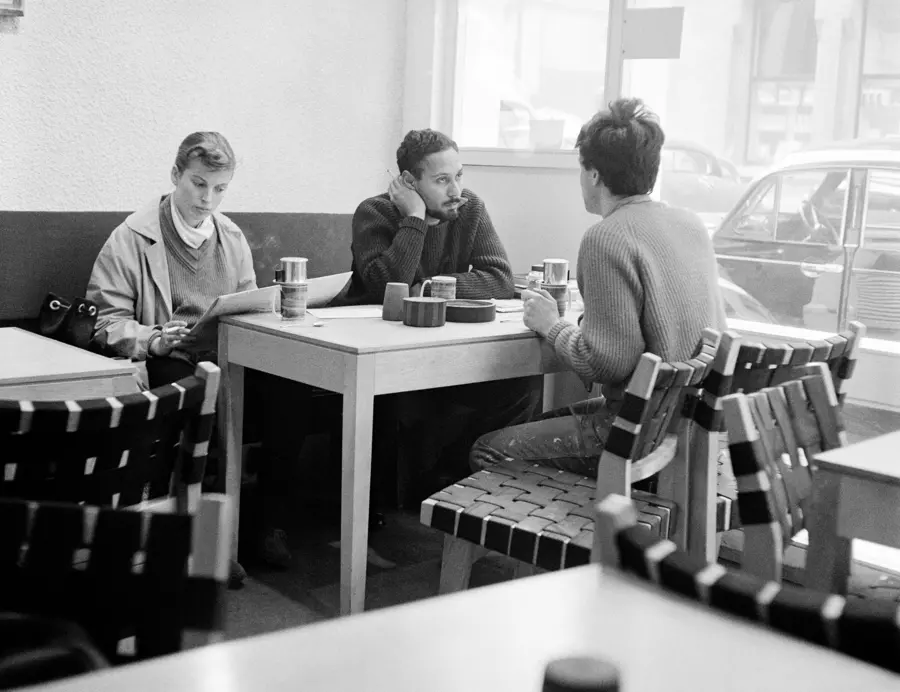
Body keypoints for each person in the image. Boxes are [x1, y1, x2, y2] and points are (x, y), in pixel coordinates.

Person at [86, 132, 302, 584]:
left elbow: (248, 305)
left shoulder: (232, 236)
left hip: (228, 355)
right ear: (175, 176)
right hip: (168, 358)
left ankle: (262, 527)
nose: (208, 199)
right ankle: (206, 545)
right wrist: (152, 338)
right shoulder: (131, 237)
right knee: (201, 397)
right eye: (198, 184)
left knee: (287, 396)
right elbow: (105, 322)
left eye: (220, 189)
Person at [470, 98, 727, 476]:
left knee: (487, 450)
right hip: (689, 426)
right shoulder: (691, 225)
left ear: (593, 175)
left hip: (639, 435)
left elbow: (607, 362)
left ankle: (579, 532)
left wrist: (551, 324)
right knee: (540, 422)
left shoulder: (606, 237)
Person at [342, 129, 542, 498]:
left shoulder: (470, 208)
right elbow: (388, 287)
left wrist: (430, 289)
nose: (456, 191)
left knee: (520, 382)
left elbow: (499, 279)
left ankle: (476, 494)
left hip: (445, 349)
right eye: (441, 180)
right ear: (408, 182)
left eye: (459, 176)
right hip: (382, 354)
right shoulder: (375, 213)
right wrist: (415, 218)